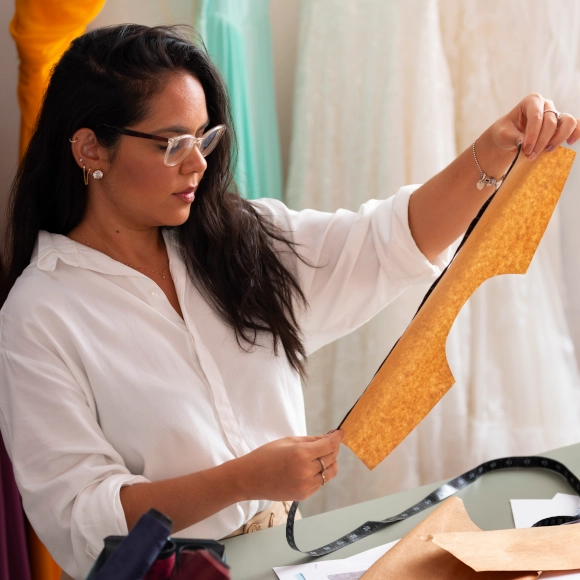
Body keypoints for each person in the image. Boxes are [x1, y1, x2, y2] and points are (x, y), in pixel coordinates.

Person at [0, 24, 578, 580]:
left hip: (289, 556)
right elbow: (80, 519)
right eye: (172, 143)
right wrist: (242, 479)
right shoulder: (41, 315)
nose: (198, 163)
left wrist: (488, 155)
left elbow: (384, 241)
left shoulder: (239, 240)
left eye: (204, 138)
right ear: (89, 149)